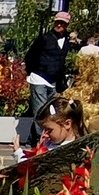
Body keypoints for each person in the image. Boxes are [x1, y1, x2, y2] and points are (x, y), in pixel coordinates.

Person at [21, 11, 77, 144]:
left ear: (66, 25)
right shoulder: (45, 38)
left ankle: (33, 139)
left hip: (53, 81)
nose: (59, 25)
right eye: (57, 22)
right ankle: (41, 142)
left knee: (51, 112)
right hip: (39, 77)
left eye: (62, 23)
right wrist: (30, 71)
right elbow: (30, 55)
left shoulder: (67, 41)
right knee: (41, 111)